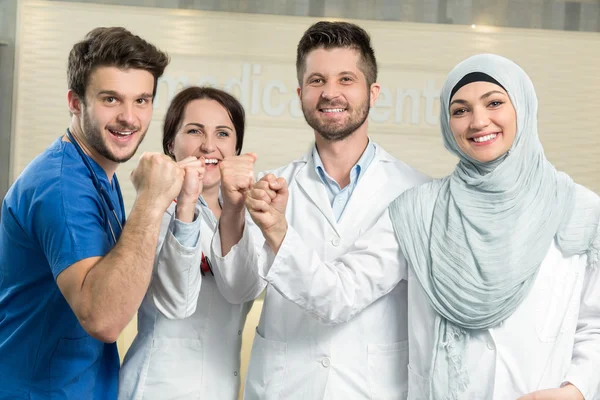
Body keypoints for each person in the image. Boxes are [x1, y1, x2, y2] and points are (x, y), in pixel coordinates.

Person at [212, 21, 428, 399]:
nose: (331, 93)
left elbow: (339, 298)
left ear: (373, 93)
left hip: (373, 388)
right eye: (316, 81)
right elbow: (237, 290)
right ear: (299, 93)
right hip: (285, 386)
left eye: (346, 79)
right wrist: (232, 210)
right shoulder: (272, 185)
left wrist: (279, 231)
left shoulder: (416, 192)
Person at [385, 54, 600, 399]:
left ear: (523, 109)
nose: (478, 121)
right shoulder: (419, 211)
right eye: (460, 110)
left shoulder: (579, 209)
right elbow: (345, 292)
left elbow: (596, 323)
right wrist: (279, 234)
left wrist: (575, 390)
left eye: (495, 103)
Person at [0, 27, 180, 399]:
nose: (129, 118)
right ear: (75, 101)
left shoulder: (95, 171)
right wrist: (150, 200)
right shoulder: (63, 187)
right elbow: (104, 318)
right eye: (111, 99)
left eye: (142, 100)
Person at [118, 86, 252, 400]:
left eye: (223, 134)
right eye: (194, 131)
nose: (209, 146)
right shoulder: (153, 213)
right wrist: (186, 204)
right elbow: (177, 302)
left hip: (220, 386)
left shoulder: (243, 212)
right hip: (159, 387)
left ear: (235, 148)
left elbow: (246, 288)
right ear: (170, 143)